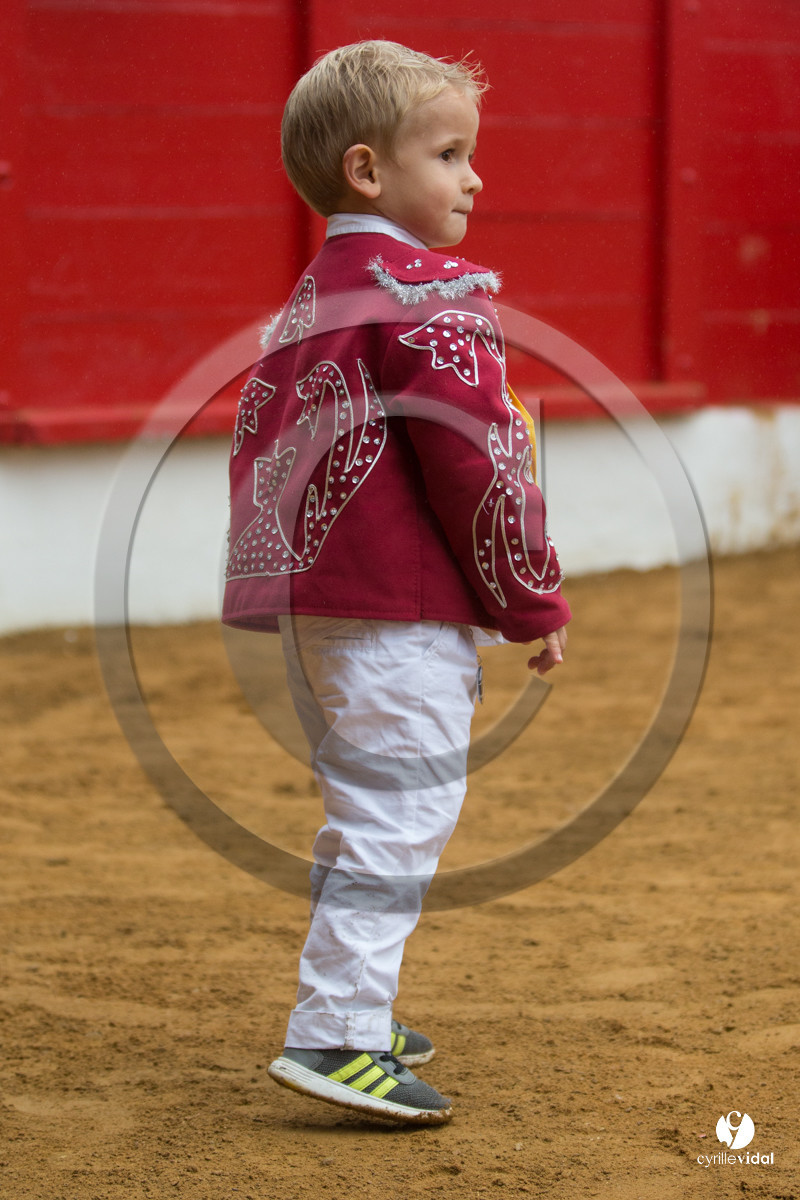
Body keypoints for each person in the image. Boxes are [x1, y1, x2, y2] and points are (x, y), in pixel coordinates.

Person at [222, 40, 571, 1125]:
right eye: (451, 153)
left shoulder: (310, 300)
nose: (474, 179)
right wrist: (530, 598)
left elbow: (253, 449)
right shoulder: (429, 297)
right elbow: (475, 460)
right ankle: (334, 1036)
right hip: (397, 614)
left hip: (315, 609)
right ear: (368, 171)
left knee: (362, 812)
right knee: (396, 819)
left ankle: (352, 1004)